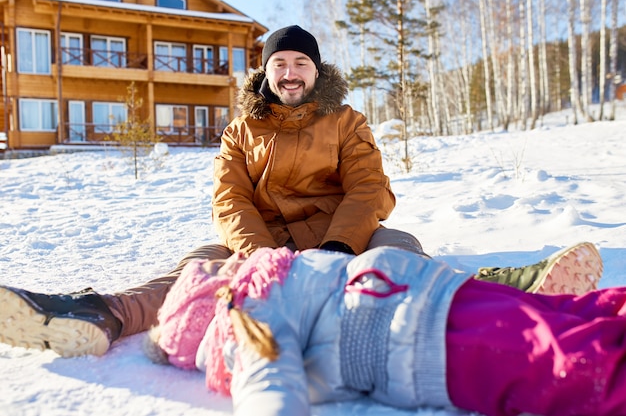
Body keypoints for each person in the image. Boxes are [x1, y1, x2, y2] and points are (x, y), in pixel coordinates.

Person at [0, 26, 602, 358]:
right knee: (194, 267)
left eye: (301, 64)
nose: (289, 73)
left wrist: (341, 248)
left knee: (399, 248)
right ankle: (96, 315)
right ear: (265, 72)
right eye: (279, 63)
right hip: (262, 245)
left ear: (318, 72)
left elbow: (370, 188)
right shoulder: (239, 132)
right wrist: (256, 253)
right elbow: (229, 200)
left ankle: (508, 290)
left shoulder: (346, 123)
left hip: (341, 238)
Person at [144, 244, 622, 416]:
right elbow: (269, 384)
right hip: (420, 309)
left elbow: (269, 381)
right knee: (563, 328)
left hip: (418, 321)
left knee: (558, 345)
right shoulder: (261, 292)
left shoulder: (260, 294)